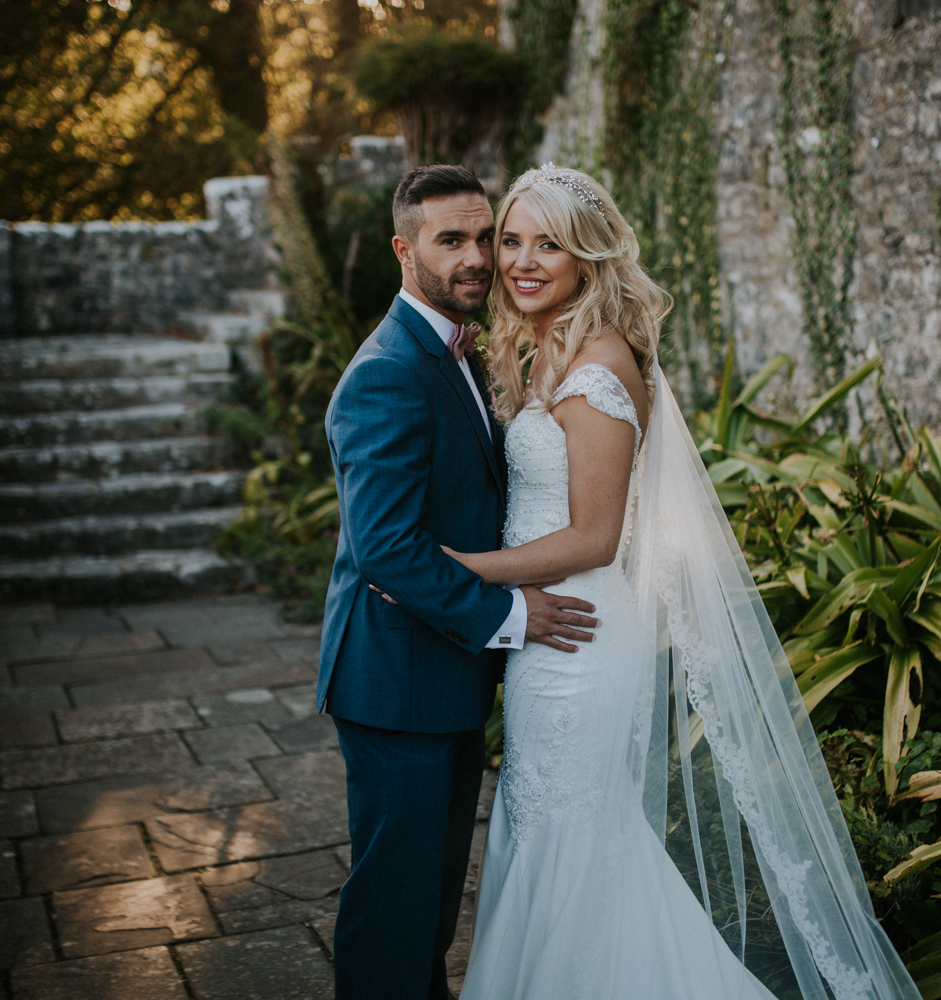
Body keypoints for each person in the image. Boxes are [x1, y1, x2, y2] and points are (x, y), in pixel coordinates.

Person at [421, 164, 921, 999]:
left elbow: (593, 536)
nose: (521, 260)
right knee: (550, 832)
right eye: (511, 240)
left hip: (578, 635)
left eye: (549, 243)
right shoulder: (549, 351)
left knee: (571, 839)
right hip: (551, 633)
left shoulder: (597, 371)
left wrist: (458, 570)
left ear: (589, 257)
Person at [317, 163, 604, 1000]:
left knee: (431, 907)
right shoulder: (387, 371)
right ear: (406, 251)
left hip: (438, 677)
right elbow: (387, 551)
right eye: (454, 241)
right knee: (394, 915)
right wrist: (515, 614)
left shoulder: (457, 350)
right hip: (396, 685)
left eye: (486, 236)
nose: (478, 257)